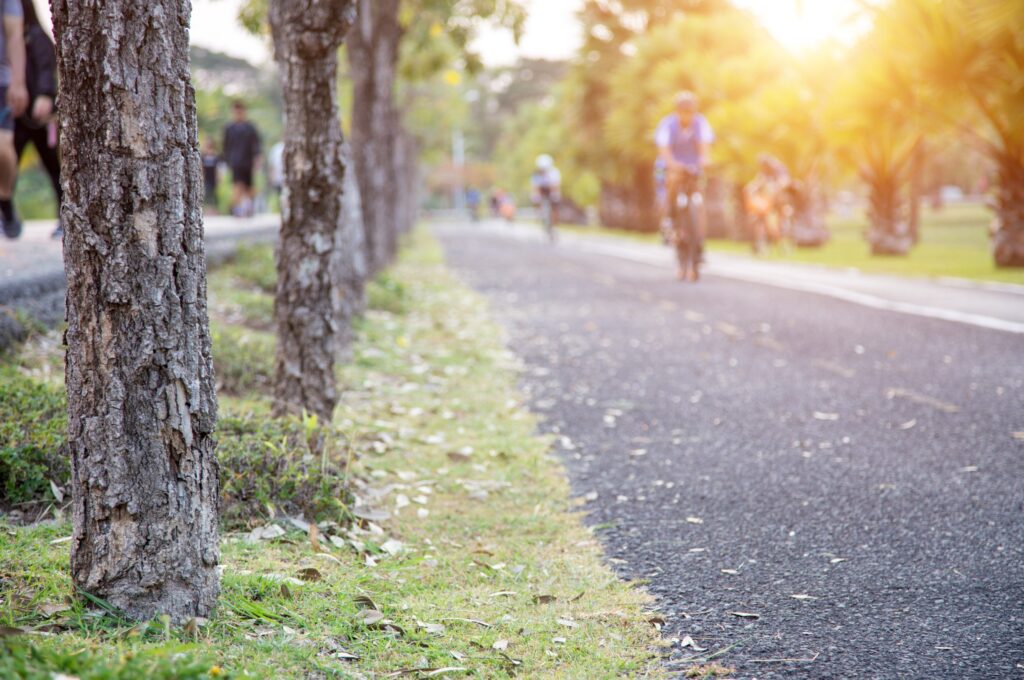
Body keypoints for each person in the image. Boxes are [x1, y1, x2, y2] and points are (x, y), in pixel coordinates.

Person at [655, 91, 714, 280]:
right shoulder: (667, 125)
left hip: (693, 166)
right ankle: (668, 219)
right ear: (677, 111)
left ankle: (699, 239)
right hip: (672, 165)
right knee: (670, 181)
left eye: (690, 111)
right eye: (683, 111)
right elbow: (664, 151)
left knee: (700, 194)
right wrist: (673, 166)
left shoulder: (701, 123)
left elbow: (705, 149)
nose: (687, 115)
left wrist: (703, 162)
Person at [12, 0, 58, 237]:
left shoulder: (34, 35)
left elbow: (45, 67)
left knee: (54, 167)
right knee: (8, 167)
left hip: (40, 117)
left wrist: (45, 94)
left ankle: (65, 216)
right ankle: (7, 214)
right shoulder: (8, 41)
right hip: (16, 118)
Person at [0, 0, 28, 239]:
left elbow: (14, 33)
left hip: (1, 82)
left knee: (3, 147)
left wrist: (18, 82)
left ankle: (5, 199)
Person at [222, 100, 261, 217]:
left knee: (249, 187)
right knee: (237, 185)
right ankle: (237, 209)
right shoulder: (229, 128)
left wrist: (257, 160)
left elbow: (256, 145)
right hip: (235, 161)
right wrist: (226, 161)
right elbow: (225, 146)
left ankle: (249, 207)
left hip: (248, 161)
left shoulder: (250, 128)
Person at [531, 154, 561, 238]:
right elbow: (535, 186)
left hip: (551, 190)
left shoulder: (554, 172)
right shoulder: (536, 173)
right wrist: (536, 196)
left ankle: (555, 226)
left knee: (555, 205)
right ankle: (538, 213)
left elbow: (555, 185)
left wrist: (554, 194)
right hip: (542, 190)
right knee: (535, 199)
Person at [201, 137, 220, 214]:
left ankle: (214, 210)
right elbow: (201, 167)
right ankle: (207, 210)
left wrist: (218, 177)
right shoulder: (203, 156)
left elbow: (218, 168)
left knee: (214, 194)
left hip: (213, 178)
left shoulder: (215, 156)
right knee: (207, 193)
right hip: (206, 178)